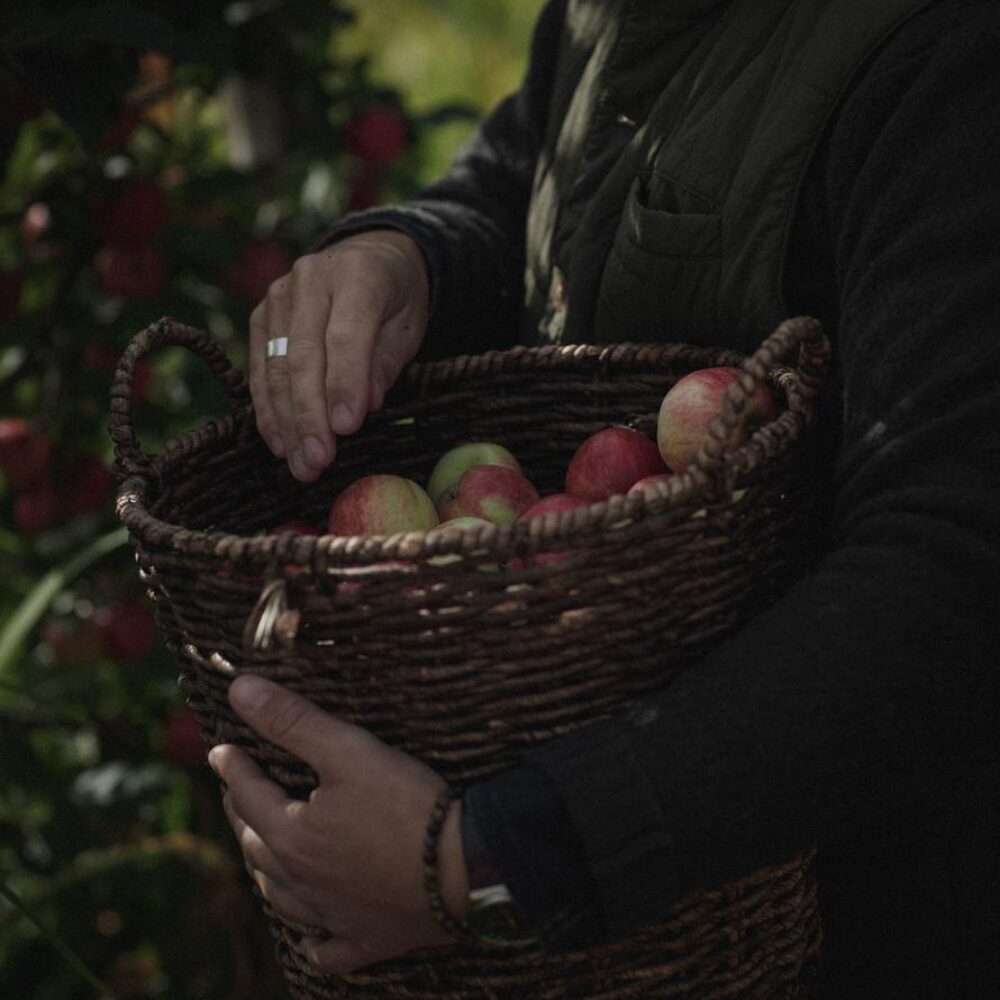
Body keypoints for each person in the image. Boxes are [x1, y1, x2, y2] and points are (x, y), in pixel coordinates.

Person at [205, 1, 1000, 996]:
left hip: (866, 929)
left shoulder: (944, 63)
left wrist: (487, 859)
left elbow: (951, 577)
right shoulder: (606, 18)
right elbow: (538, 173)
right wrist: (404, 254)